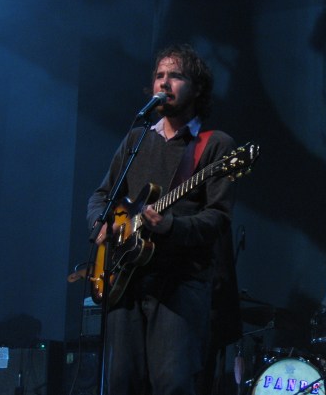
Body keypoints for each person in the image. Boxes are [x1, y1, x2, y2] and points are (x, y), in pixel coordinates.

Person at [87, 44, 242, 395]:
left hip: (180, 284)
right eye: (160, 75)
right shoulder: (136, 140)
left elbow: (218, 219)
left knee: (172, 384)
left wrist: (170, 226)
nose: (165, 82)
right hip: (125, 281)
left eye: (176, 75)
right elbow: (102, 196)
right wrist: (100, 224)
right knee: (121, 384)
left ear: (197, 88)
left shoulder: (214, 145)